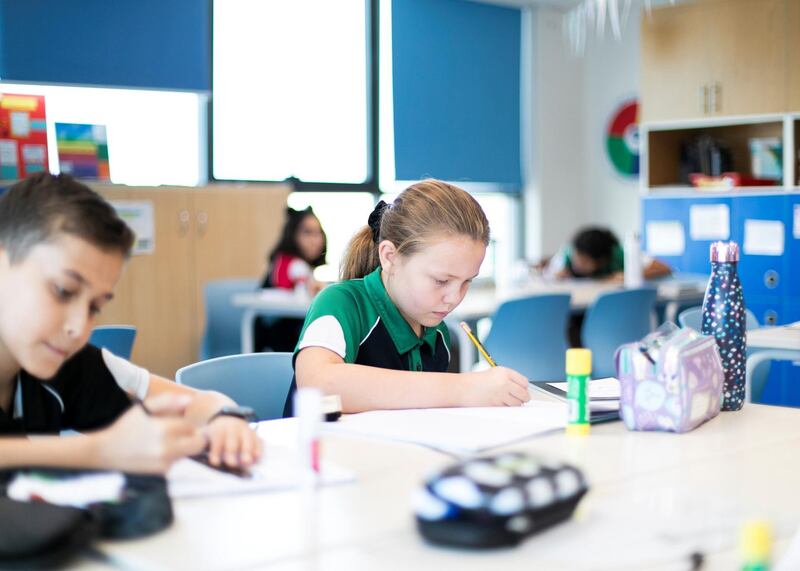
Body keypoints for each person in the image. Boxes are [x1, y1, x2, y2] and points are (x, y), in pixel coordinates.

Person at [0, 173, 262, 473]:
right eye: (63, 291)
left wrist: (225, 420)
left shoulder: (66, 359)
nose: (77, 328)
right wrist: (100, 451)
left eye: (94, 307)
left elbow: (196, 403)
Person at [288, 179, 530, 415]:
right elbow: (317, 385)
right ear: (390, 257)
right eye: (441, 281)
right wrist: (462, 388)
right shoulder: (343, 303)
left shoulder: (437, 333)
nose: (454, 298)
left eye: (467, 281)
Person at [254, 206, 327, 352]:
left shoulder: (302, 266)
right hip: (277, 343)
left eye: (318, 232)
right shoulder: (289, 264)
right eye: (308, 232)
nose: (316, 239)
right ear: (292, 235)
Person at [544, 227, 671, 281]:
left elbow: (664, 267)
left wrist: (628, 275)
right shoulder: (566, 256)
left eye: (584, 261)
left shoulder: (619, 254)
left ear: (602, 260)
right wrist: (556, 276)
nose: (577, 263)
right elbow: (547, 277)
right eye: (576, 256)